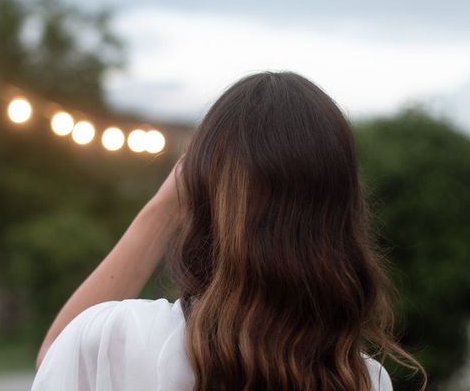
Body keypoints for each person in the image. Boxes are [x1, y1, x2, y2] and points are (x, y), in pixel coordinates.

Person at [31, 71, 427, 390]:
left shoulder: (129, 338)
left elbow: (58, 357)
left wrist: (163, 207)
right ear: (341, 218)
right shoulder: (364, 379)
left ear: (203, 196)